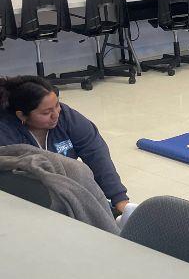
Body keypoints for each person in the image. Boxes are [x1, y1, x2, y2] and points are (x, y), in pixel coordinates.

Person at [0, 75, 132, 216]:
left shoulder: (67, 117)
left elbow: (97, 154)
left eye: (57, 105)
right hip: (26, 202)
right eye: (46, 112)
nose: (56, 114)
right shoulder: (5, 133)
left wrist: (119, 198)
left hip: (68, 192)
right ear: (21, 116)